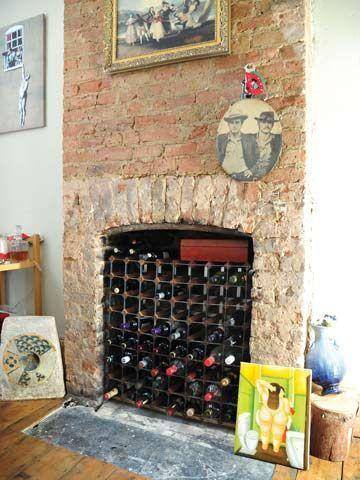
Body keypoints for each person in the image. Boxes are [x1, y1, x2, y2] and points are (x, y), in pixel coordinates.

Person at [216, 113, 255, 180]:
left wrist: (252, 170)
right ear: (228, 124)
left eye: (237, 122)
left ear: (241, 124)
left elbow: (258, 157)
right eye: (231, 123)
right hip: (224, 175)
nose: (234, 126)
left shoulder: (249, 140)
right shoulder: (221, 139)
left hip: (243, 174)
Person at [251, 111, 282, 179]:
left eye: (269, 122)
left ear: (273, 125)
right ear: (258, 123)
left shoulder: (277, 140)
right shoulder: (249, 140)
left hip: (269, 176)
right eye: (263, 122)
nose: (266, 125)